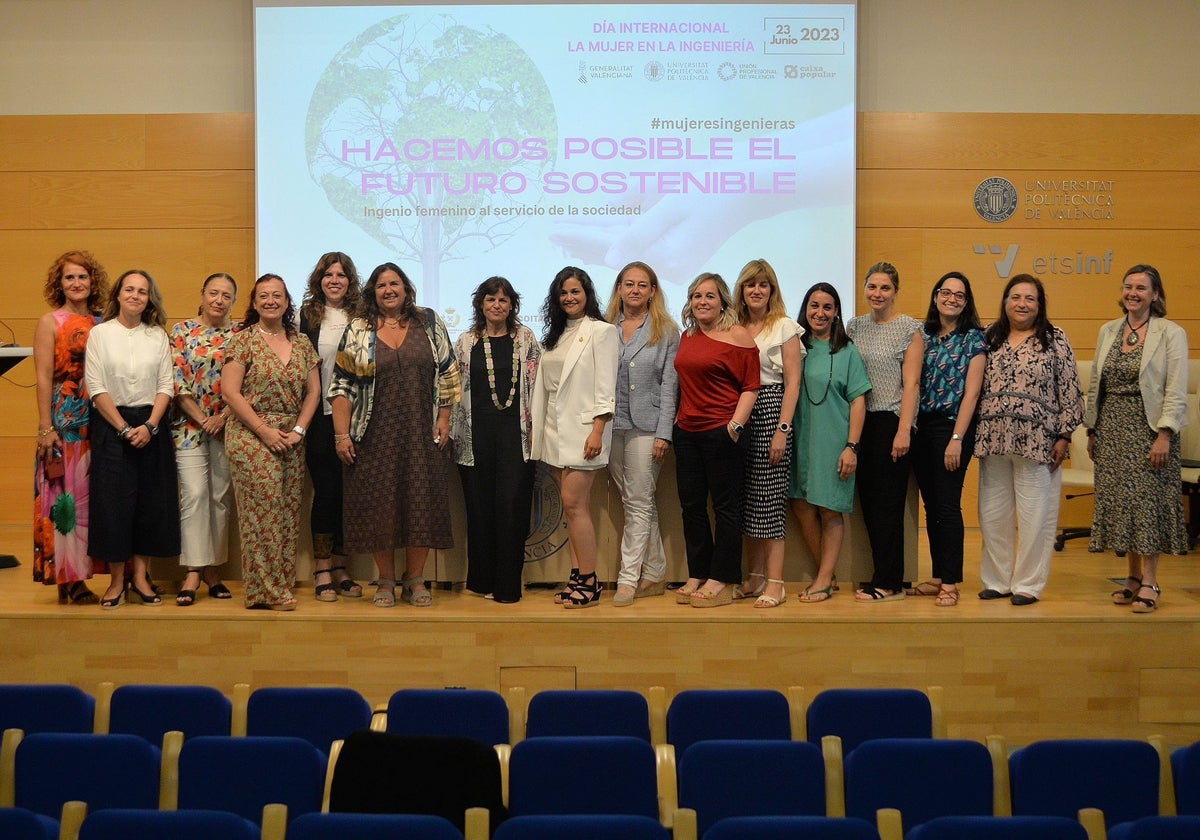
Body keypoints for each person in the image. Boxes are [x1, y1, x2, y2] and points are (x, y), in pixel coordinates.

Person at [329, 263, 460, 608]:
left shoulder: (428, 322)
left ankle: (415, 578)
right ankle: (385, 579)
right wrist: (342, 436)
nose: (388, 290)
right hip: (372, 434)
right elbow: (341, 383)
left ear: (405, 288)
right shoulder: (359, 328)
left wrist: (445, 418)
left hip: (422, 430)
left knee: (422, 503)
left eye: (395, 283)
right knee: (380, 505)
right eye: (381, 285)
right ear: (372, 291)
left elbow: (448, 372)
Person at [975, 274, 1084, 606]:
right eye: (1015, 297)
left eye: (1030, 298)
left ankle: (1028, 584)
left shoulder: (1055, 338)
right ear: (1005, 301)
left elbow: (1070, 389)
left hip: (1039, 442)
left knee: (1036, 515)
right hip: (993, 440)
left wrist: (1064, 436)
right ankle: (997, 580)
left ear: (1040, 305)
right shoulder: (988, 337)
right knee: (993, 514)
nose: (1022, 304)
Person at [1086, 264, 1189, 614]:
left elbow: (1175, 389)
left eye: (1141, 288)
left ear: (1155, 294)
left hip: (1150, 431)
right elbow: (1096, 382)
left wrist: (1165, 434)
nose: (1133, 293)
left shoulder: (1170, 333)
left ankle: (1150, 581)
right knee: (1123, 504)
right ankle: (1130, 578)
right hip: (1112, 427)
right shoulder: (1108, 330)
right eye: (1128, 286)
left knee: (1147, 505)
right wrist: (1092, 428)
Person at [222, 274, 320, 611]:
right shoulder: (243, 341)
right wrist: (263, 429)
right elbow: (230, 392)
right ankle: (264, 591)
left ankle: (281, 583)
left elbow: (314, 392)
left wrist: (299, 430)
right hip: (251, 433)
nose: (270, 301)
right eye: (263, 295)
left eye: (277, 295)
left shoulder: (303, 342)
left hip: (291, 436)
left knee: (287, 512)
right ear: (253, 303)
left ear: (287, 301)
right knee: (262, 511)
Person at [85, 269, 181, 608]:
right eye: (129, 289)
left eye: (142, 291)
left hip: (151, 425)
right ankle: (115, 581)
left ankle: (141, 577)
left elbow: (166, 386)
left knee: (150, 505)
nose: (135, 296)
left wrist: (151, 426)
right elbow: (96, 388)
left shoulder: (157, 335)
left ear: (149, 299)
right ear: (118, 295)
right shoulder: (99, 334)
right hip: (112, 425)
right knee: (113, 506)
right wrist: (124, 428)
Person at [530, 266, 619, 609]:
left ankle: (590, 581)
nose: (569, 298)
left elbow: (605, 385)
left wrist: (598, 428)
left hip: (586, 433)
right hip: (554, 431)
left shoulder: (602, 331)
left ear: (587, 295)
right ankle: (577, 576)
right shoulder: (552, 336)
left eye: (575, 292)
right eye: (563, 293)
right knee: (571, 508)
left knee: (575, 505)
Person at [450, 276, 541, 603]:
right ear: (481, 305)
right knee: (478, 510)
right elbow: (451, 387)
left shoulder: (526, 339)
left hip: (517, 441)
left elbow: (539, 386)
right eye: (490, 299)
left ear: (512, 305)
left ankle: (507, 588)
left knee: (511, 509)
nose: (497, 305)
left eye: (503, 300)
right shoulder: (465, 342)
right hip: (474, 440)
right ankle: (481, 582)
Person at [672, 272, 760, 608]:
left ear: (722, 301)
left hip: (722, 433)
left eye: (709, 296)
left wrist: (734, 427)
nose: (702, 302)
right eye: (696, 296)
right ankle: (698, 572)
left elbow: (751, 386)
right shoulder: (687, 335)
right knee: (691, 507)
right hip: (687, 433)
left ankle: (721, 577)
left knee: (725, 509)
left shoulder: (738, 336)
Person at [33, 251, 109, 604]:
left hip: (99, 422)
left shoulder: (103, 321)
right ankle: (68, 578)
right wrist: (45, 427)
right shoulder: (50, 322)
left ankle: (85, 573)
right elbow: (44, 377)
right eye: (69, 278)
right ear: (59, 283)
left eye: (82, 277)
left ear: (92, 282)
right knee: (65, 498)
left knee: (91, 500)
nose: (77, 283)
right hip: (64, 424)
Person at [907, 272, 987, 607]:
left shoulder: (974, 339)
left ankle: (951, 582)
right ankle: (939, 575)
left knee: (947, 504)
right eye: (945, 292)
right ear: (936, 295)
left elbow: (972, 395)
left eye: (959, 294)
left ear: (966, 302)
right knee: (930, 505)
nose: (951, 298)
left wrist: (957, 438)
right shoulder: (922, 335)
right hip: (922, 427)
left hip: (953, 428)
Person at [603, 261, 680, 607]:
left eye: (642, 285)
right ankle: (656, 570)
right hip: (612, 425)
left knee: (637, 501)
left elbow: (669, 388)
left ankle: (628, 579)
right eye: (628, 284)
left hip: (649, 427)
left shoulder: (666, 330)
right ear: (619, 289)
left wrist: (665, 433)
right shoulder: (605, 328)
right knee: (638, 500)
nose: (635, 290)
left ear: (652, 291)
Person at [845, 261, 922, 603]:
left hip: (891, 421)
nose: (877, 294)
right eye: (872, 287)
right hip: (862, 422)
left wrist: (904, 430)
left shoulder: (909, 328)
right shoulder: (854, 326)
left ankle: (890, 582)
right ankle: (882, 574)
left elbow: (912, 384)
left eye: (885, 288)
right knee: (868, 504)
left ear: (895, 292)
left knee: (887, 506)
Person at [790, 282, 871, 604]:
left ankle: (823, 579)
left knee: (829, 510)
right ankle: (828, 574)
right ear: (805, 309)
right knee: (800, 505)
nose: (819, 313)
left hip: (834, 440)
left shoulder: (847, 352)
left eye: (827, 307)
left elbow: (858, 401)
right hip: (800, 439)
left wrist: (851, 447)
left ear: (837, 312)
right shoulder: (795, 346)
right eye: (814, 305)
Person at [732, 258, 803, 608]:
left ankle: (776, 582)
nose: (756, 290)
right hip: (740, 413)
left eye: (763, 285)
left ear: (772, 290)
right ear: (741, 291)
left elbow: (793, 383)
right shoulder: (734, 326)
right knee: (747, 500)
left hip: (773, 410)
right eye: (750, 285)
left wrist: (782, 431)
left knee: (770, 501)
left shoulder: (785, 327)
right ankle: (755, 576)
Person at [170, 272, 239, 605]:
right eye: (213, 293)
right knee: (194, 495)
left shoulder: (241, 334)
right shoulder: (182, 331)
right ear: (202, 294)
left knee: (220, 500)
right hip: (188, 426)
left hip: (228, 427)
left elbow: (246, 383)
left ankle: (213, 570)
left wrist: (222, 418)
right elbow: (175, 379)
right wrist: (202, 419)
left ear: (234, 302)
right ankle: (194, 570)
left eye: (227, 295)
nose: (219, 300)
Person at [299, 252, 365, 602]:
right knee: (325, 493)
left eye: (341, 274)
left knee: (351, 496)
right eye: (328, 274)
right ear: (319, 279)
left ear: (351, 281)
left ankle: (341, 566)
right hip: (321, 418)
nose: (334, 280)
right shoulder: (306, 316)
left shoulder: (363, 315)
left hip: (360, 417)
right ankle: (322, 568)